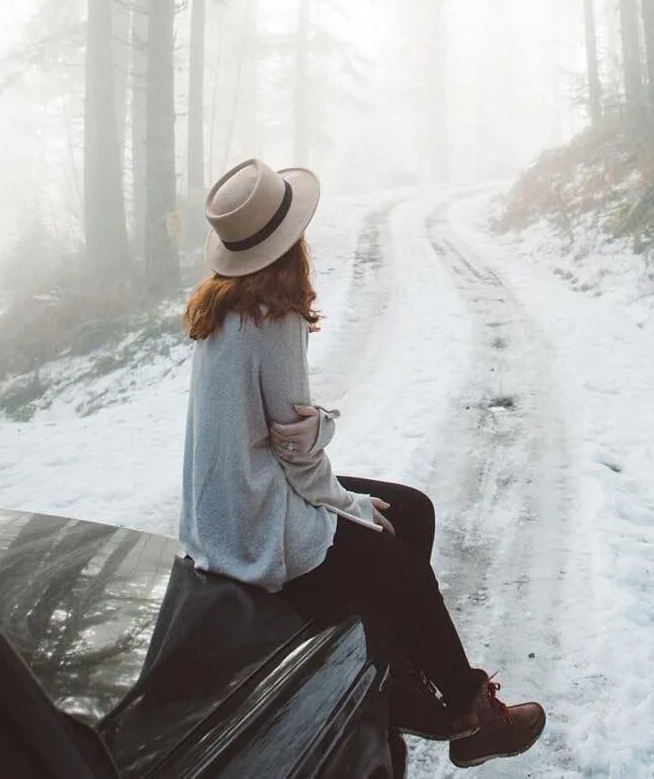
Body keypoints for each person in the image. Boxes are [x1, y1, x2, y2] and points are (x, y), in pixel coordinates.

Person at [178, 157, 546, 769]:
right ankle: (468, 710)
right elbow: (298, 452)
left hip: (220, 511)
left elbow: (274, 435)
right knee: (400, 561)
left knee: (411, 508)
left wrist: (336, 476)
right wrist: (349, 504)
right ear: (289, 239)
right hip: (255, 525)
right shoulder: (275, 315)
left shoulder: (219, 306)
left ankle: (398, 681)